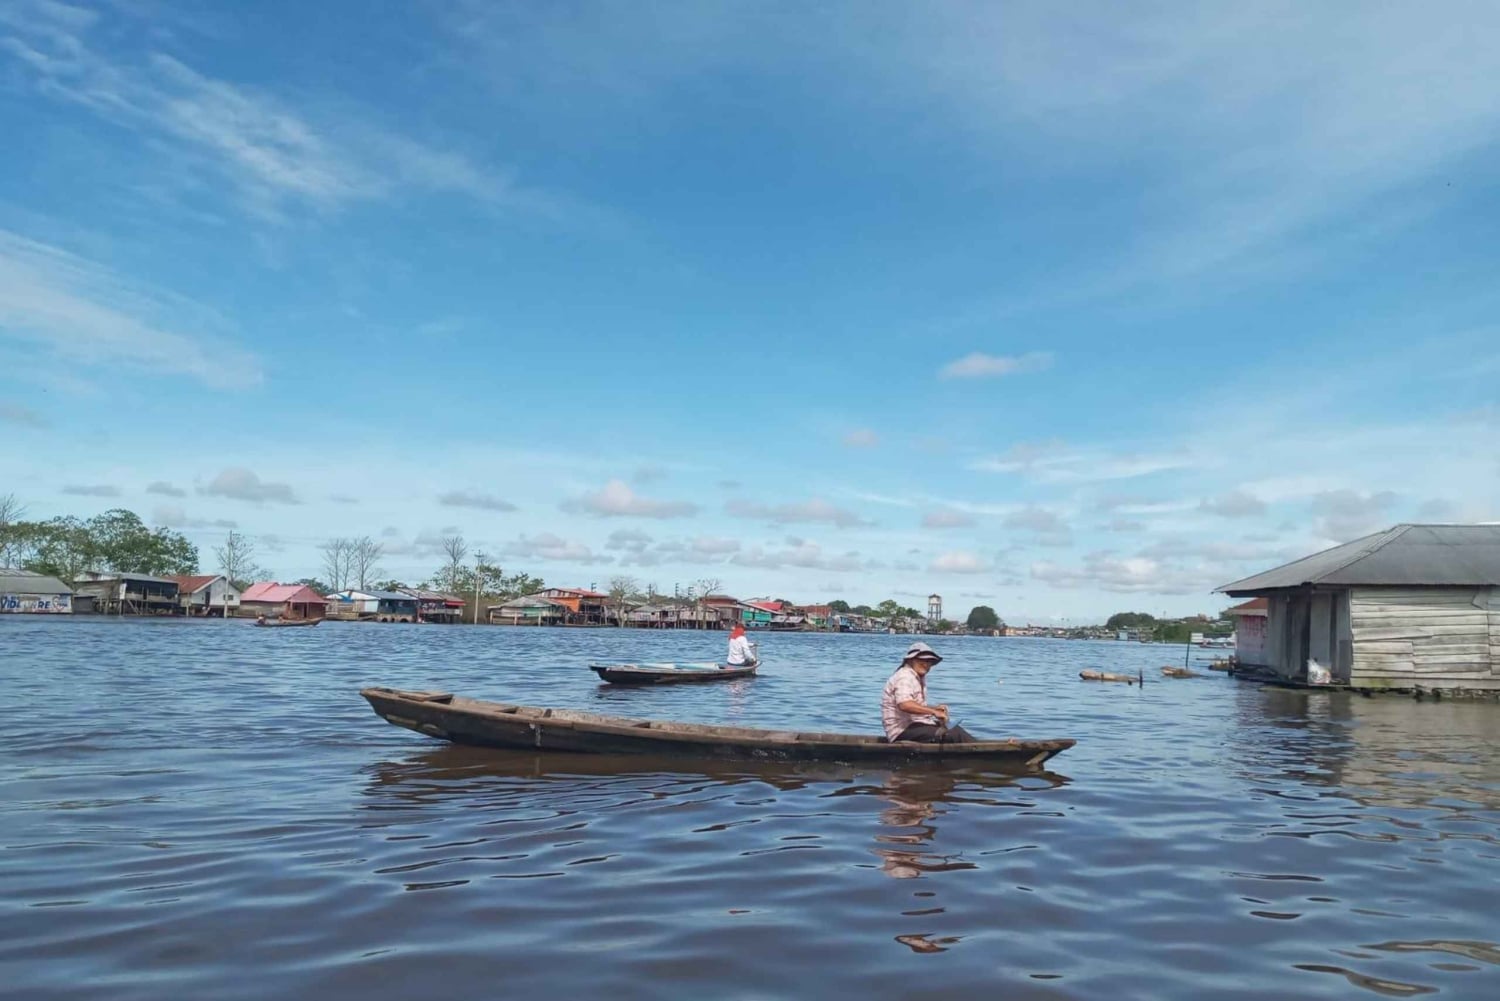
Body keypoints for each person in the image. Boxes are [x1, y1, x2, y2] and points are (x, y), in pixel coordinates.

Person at [881, 641, 977, 743]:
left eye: (929, 661)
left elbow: (912, 704)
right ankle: (979, 753)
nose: (926, 664)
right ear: (911, 660)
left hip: (914, 726)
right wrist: (934, 712)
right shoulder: (905, 677)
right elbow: (905, 705)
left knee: (954, 729)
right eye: (922, 660)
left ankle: (977, 750)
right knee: (954, 733)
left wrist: (935, 708)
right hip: (901, 731)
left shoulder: (915, 677)